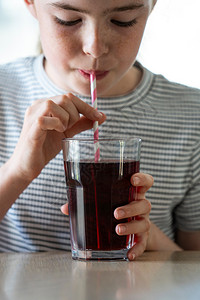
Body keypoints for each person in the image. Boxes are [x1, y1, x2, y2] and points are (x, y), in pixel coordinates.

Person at [0, 0, 199, 259]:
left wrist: (150, 238)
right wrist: (17, 172)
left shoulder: (192, 117)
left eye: (123, 20)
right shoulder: (5, 93)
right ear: (30, 4)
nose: (94, 48)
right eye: (68, 19)